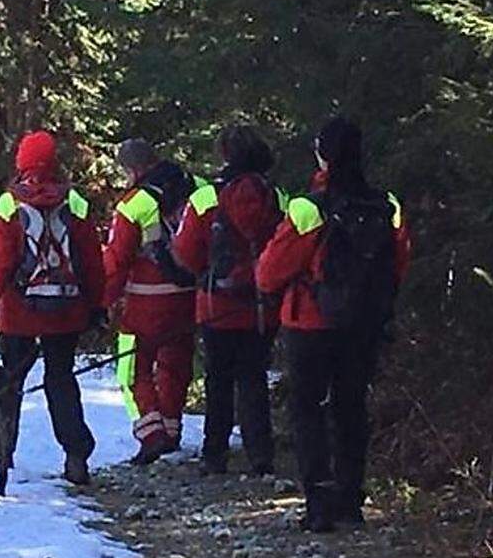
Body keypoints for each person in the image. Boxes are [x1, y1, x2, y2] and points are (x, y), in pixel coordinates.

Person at [256, 117, 411, 532]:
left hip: (309, 323)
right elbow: (398, 264)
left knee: (308, 409)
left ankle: (319, 502)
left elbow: (268, 273)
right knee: (351, 406)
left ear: (323, 155)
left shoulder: (309, 208)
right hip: (362, 322)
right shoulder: (388, 205)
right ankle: (351, 499)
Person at [0, 130, 107, 486]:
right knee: (60, 380)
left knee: (12, 383)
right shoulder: (75, 202)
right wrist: (97, 306)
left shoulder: (9, 204)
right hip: (66, 310)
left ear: (21, 162)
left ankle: (3, 452)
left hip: (19, 311)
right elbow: (92, 263)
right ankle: (76, 454)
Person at [171, 126, 285, 476]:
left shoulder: (206, 198)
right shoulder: (277, 196)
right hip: (262, 306)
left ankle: (214, 453)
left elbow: (185, 251)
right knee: (254, 377)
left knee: (218, 380)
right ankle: (260, 453)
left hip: (216, 303)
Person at [102, 138, 200, 465]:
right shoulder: (195, 187)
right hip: (188, 298)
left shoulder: (134, 204)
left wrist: (103, 302)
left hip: (145, 303)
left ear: (133, 169)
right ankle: (172, 431)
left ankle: (151, 434)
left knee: (132, 372)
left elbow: (116, 261)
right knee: (175, 366)